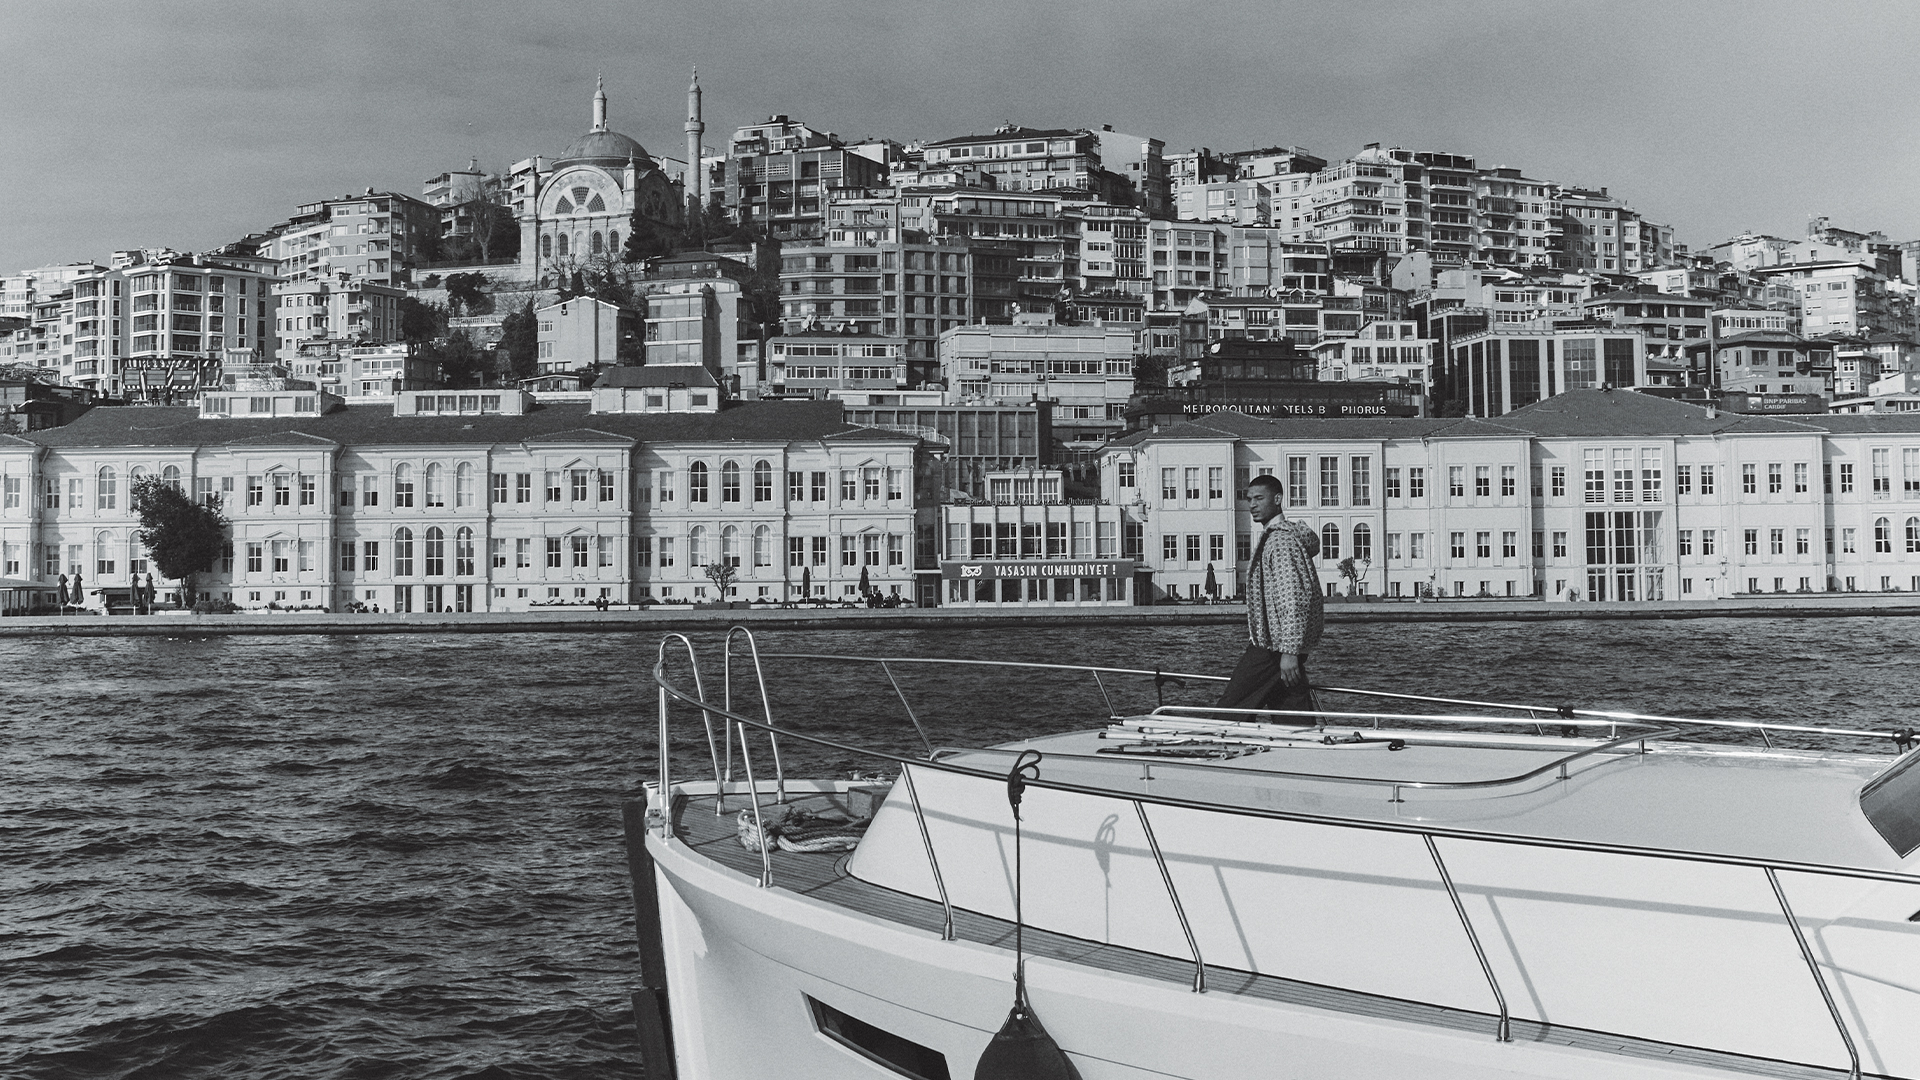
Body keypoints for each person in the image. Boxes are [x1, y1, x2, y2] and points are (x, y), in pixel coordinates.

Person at [1217, 473, 1324, 723]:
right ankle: (1305, 744)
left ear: (1277, 499)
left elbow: (1294, 598)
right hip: (1278, 644)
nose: (1252, 505)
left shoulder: (1281, 541)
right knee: (1292, 714)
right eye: (1249, 499)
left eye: (1259, 498)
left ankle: (1213, 743)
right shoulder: (1276, 537)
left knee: (1230, 710)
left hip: (1273, 647)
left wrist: (1289, 652)